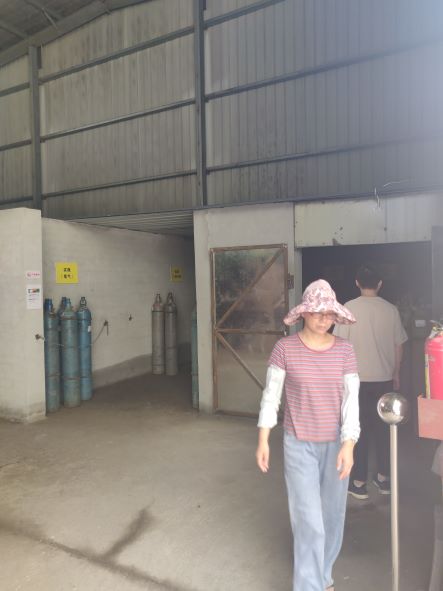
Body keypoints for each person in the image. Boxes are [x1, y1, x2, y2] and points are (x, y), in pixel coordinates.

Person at [256, 279, 360, 591]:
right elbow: (271, 396)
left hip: (335, 446)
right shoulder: (285, 348)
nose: (323, 319)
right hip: (298, 444)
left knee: (331, 517)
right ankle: (308, 586)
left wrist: (349, 444)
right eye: (316, 312)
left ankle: (323, 576)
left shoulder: (345, 350)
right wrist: (263, 438)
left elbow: (351, 401)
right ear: (303, 313)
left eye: (328, 313)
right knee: (308, 521)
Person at [334, 264, 408, 499]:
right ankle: (384, 480)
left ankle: (358, 482)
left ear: (357, 283)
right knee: (385, 430)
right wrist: (396, 373)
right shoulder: (391, 310)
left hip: (356, 381)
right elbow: (399, 345)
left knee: (358, 429)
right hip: (384, 379)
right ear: (380, 284)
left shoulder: (349, 308)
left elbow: (338, 346)